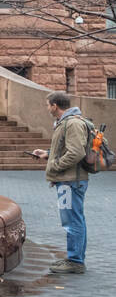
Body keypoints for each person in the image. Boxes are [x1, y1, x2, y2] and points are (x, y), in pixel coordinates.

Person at [31, 91, 89, 274]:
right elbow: (66, 149)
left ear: (55, 105)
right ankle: (75, 259)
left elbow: (76, 152)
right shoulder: (65, 123)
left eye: (48, 104)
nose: (47, 108)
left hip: (70, 181)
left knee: (72, 221)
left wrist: (54, 166)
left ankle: (76, 261)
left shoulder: (72, 123)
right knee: (74, 219)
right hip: (68, 180)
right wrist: (48, 154)